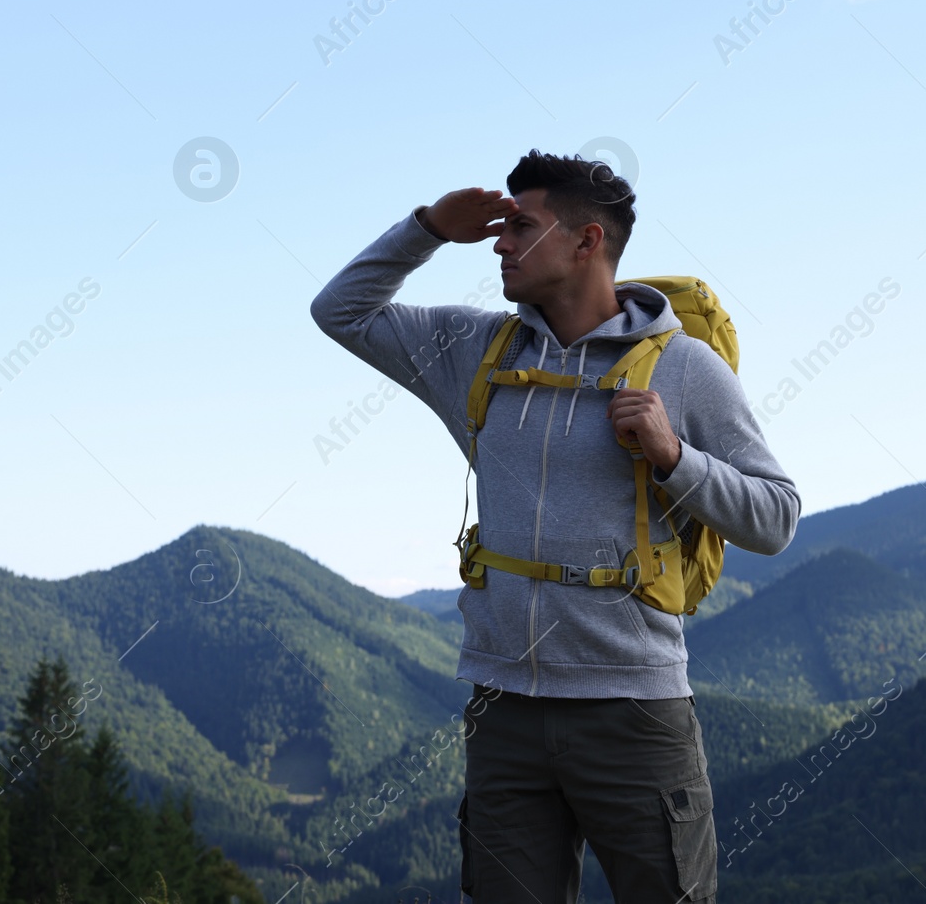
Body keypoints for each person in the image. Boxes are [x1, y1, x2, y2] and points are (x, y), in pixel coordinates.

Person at [309, 149, 800, 903]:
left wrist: (676, 457)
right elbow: (339, 309)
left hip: (633, 710)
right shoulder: (476, 350)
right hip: (503, 709)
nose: (500, 242)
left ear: (587, 241)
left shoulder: (685, 368)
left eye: (522, 227)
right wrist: (430, 228)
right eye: (501, 227)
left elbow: (775, 517)